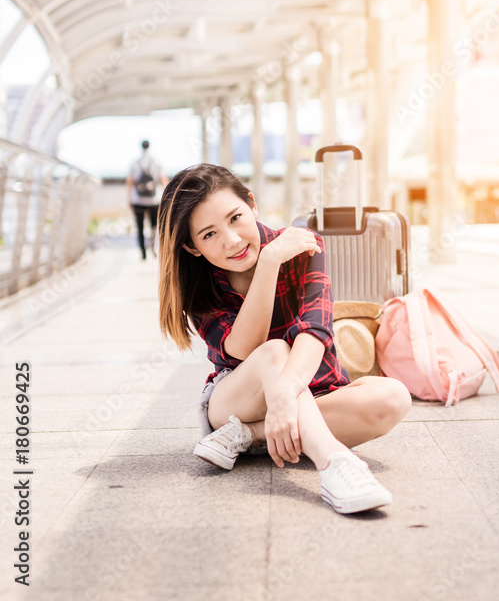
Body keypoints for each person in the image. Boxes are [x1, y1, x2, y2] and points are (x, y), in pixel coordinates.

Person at [157, 163, 412, 515]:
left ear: (252, 204)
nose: (231, 240)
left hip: (311, 389)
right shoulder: (198, 285)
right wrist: (270, 260)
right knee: (275, 349)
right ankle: (335, 464)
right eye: (209, 234)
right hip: (235, 398)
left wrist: (283, 396)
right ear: (193, 247)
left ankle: (249, 436)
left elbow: (315, 330)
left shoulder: (304, 245)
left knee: (393, 396)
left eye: (235, 218)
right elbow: (245, 349)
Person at [127, 140, 166, 260]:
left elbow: (130, 181)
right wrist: (167, 195)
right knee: (154, 225)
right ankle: (153, 248)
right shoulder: (156, 162)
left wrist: (128, 198)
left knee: (140, 227)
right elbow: (162, 179)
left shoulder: (135, 163)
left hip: (137, 199)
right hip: (154, 199)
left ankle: (143, 253)